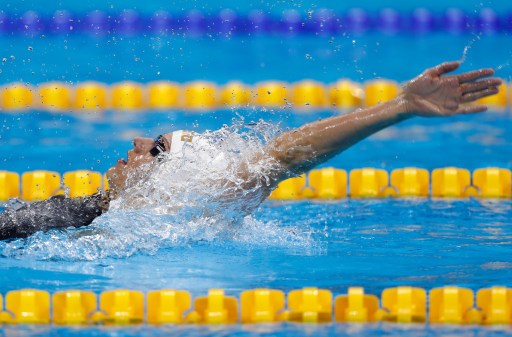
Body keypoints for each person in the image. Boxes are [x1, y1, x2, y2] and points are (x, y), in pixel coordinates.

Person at [0, 61, 502, 240]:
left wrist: (398, 107)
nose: (134, 142)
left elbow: (282, 156)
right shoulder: (84, 214)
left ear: (177, 184)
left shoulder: (182, 213)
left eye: (156, 148)